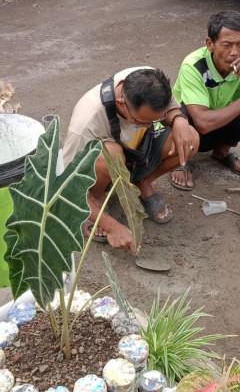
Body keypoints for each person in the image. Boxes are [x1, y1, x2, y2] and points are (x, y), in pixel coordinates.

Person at [63, 67, 199, 254]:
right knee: (110, 153)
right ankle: (96, 197)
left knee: (191, 138)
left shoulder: (152, 82)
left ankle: (143, 182)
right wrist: (111, 226)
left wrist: (180, 119)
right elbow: (67, 188)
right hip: (107, 167)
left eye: (156, 120)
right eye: (141, 121)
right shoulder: (85, 124)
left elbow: (172, 110)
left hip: (138, 154)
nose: (149, 126)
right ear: (121, 104)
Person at [171, 11, 240, 189]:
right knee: (183, 113)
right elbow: (202, 123)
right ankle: (179, 160)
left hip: (219, 123)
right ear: (210, 44)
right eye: (227, 45)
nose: (235, 52)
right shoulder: (194, 65)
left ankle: (222, 151)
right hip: (194, 128)